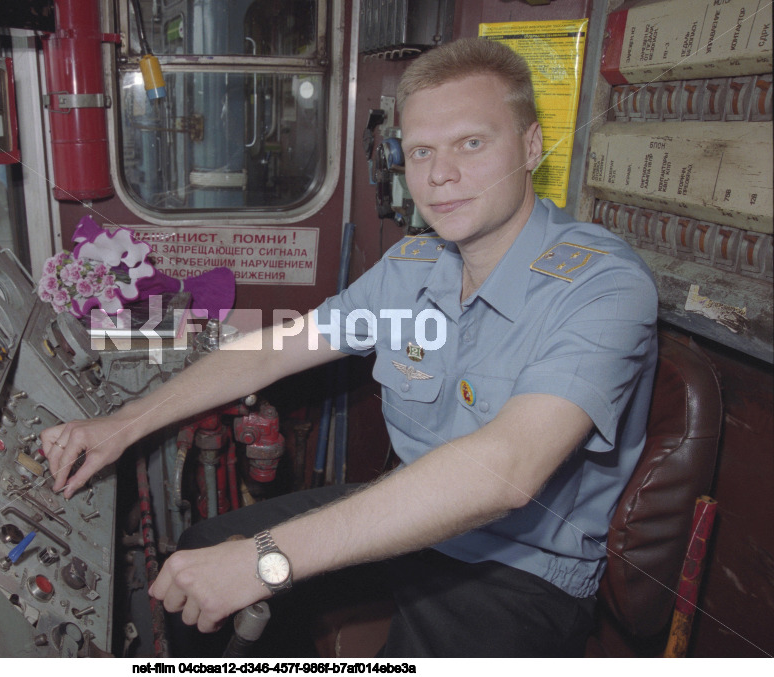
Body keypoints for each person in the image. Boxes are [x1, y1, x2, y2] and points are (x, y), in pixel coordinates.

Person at [39, 37, 658, 657]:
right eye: (421, 151)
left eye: (472, 143)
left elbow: (505, 472)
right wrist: (122, 426)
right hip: (412, 521)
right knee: (203, 550)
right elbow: (271, 351)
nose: (440, 175)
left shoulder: (602, 285)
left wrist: (266, 562)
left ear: (529, 145)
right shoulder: (413, 266)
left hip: (520, 569)